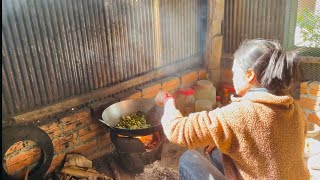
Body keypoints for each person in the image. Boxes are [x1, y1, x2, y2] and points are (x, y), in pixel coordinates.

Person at [155, 39, 310, 180]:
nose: (233, 77)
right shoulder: (293, 108)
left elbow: (176, 130)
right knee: (216, 150)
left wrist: (168, 100)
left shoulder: (240, 114)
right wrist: (217, 137)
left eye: (235, 72)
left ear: (250, 75)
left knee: (189, 159)